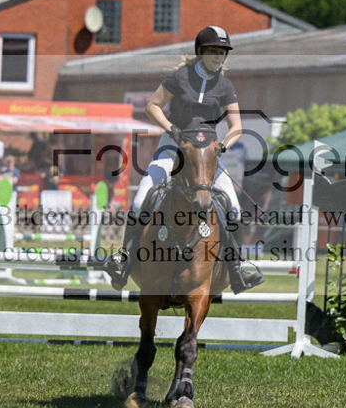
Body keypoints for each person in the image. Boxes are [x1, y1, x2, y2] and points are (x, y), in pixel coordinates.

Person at [104, 25, 264, 293]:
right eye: (213, 51)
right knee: (141, 199)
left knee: (234, 207)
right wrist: (172, 130)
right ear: (200, 51)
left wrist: (223, 146)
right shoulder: (180, 77)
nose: (218, 56)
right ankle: (125, 260)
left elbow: (236, 127)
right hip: (173, 146)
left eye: (222, 52)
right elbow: (152, 106)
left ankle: (237, 269)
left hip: (207, 154)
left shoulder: (225, 85)